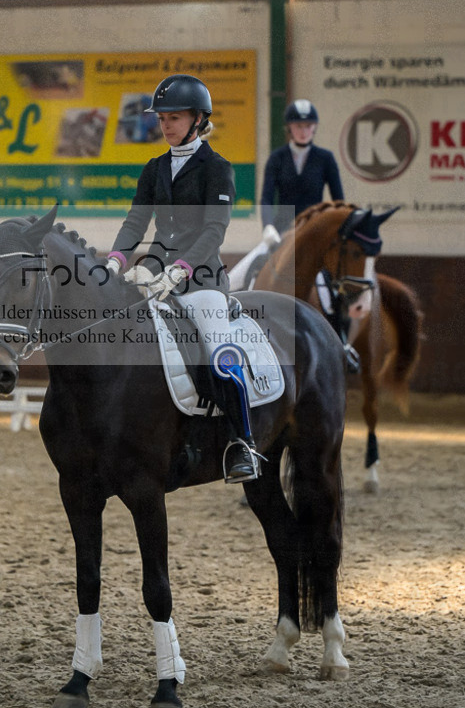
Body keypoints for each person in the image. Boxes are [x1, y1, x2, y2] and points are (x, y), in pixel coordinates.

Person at [105, 73, 260, 483]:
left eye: (174, 117)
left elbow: (213, 231)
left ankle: (242, 441)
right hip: (156, 269)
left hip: (203, 277)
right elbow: (137, 220)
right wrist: (117, 260)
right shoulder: (155, 168)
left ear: (197, 119)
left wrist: (182, 268)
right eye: (162, 119)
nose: (166, 125)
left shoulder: (218, 168)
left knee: (220, 355)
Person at [260, 99, 344, 247]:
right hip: (282, 232)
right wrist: (268, 226)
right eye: (298, 126)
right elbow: (267, 198)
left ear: (314, 128)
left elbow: (339, 201)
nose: (303, 132)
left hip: (315, 230)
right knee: (253, 265)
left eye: (308, 126)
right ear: (289, 128)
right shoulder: (276, 158)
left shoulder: (326, 158)